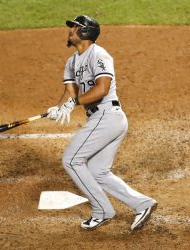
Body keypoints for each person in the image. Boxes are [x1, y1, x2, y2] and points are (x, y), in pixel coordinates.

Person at [47, 15, 157, 231]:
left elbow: (102, 89)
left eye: (75, 27)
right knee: (98, 171)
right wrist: (59, 107)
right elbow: (69, 92)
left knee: (71, 160)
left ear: (86, 31)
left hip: (107, 116)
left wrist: (74, 103)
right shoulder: (72, 61)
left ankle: (102, 210)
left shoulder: (99, 55)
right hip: (104, 118)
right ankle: (142, 203)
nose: (71, 31)